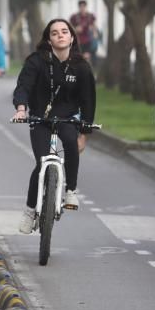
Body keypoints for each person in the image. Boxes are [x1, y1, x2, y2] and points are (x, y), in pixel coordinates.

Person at [13, 19, 97, 233]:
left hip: (67, 118)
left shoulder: (81, 67)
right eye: (54, 33)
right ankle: (30, 212)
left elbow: (88, 100)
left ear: (71, 37)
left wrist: (84, 133)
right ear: (48, 39)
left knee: (69, 141)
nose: (60, 35)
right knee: (41, 163)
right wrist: (21, 108)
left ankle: (71, 190)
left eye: (64, 32)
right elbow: (23, 86)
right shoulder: (36, 61)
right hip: (40, 118)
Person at [69, 0, 98, 64]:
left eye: (83, 6)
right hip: (78, 41)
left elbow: (94, 27)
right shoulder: (75, 17)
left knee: (87, 58)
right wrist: (76, 29)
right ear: (79, 7)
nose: (82, 8)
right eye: (80, 6)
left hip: (88, 41)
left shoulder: (90, 16)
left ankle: (87, 71)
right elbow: (69, 28)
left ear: (86, 7)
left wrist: (94, 32)